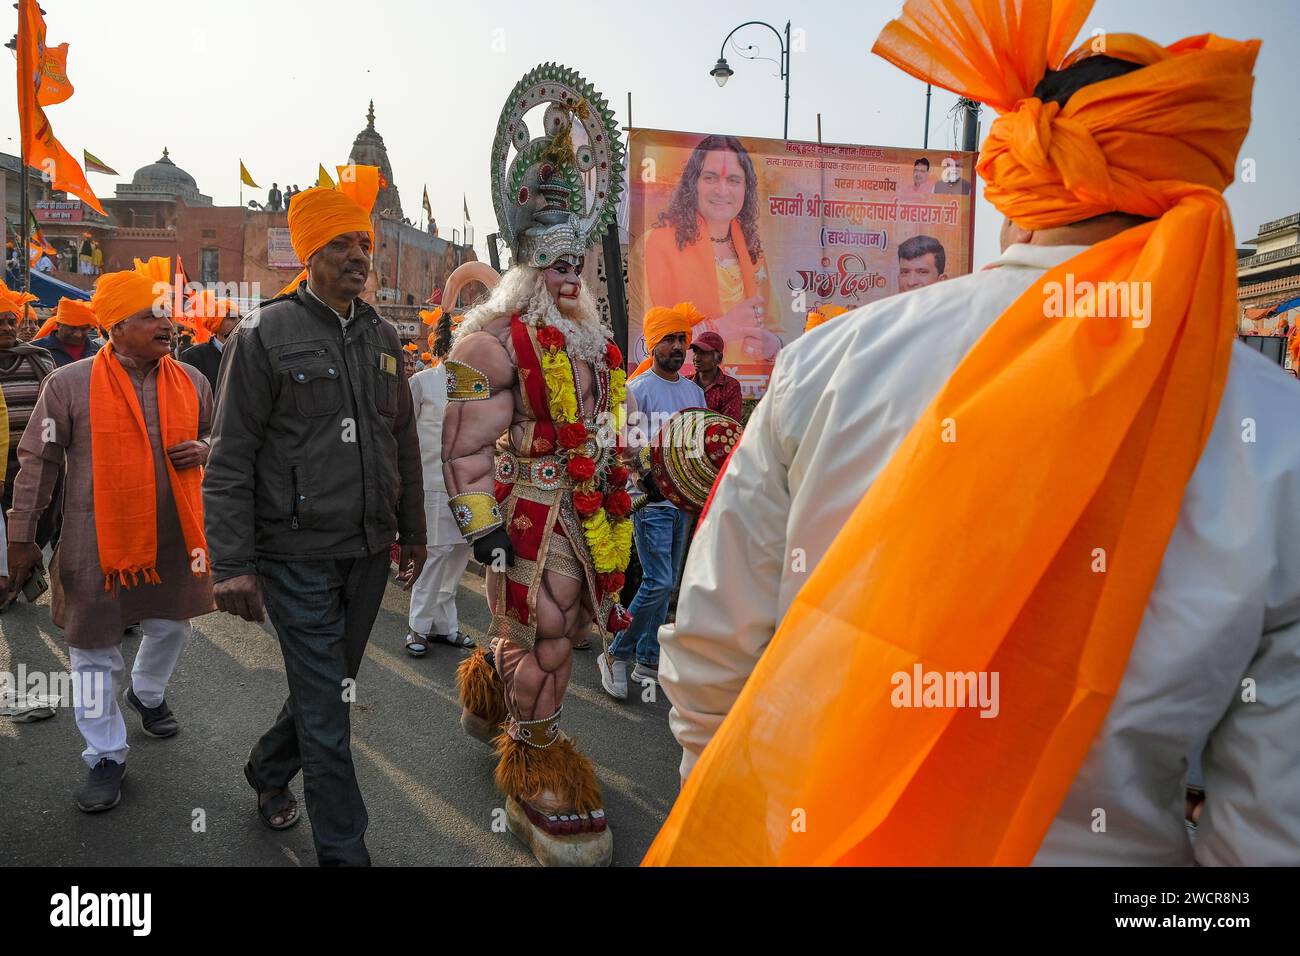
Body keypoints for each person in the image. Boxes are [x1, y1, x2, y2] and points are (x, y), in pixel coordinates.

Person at [645, 0, 1296, 867]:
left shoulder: (832, 365)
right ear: (1192, 192)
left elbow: (710, 665)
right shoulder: (1275, 435)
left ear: (1021, 182)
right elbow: (1266, 833)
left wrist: (737, 828)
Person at [203, 170, 426, 867]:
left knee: (321, 693)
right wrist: (233, 564)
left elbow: (402, 444)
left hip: (365, 554)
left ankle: (269, 769)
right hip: (293, 555)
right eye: (342, 245)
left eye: (364, 244)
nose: (360, 257)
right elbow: (230, 457)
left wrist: (414, 531)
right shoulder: (265, 333)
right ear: (308, 253)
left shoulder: (385, 338)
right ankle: (344, 849)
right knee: (331, 713)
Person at [445, 63, 633, 866]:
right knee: (550, 636)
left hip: (590, 515)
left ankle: (493, 677)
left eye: (578, 266)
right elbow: (464, 450)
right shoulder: (485, 344)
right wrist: (483, 531)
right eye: (555, 265)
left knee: (570, 629)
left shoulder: (597, 344)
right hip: (530, 514)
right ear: (524, 266)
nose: (570, 279)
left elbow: (607, 427)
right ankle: (537, 759)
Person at [6, 265, 214, 813]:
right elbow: (37, 463)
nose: (166, 323)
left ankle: (146, 693)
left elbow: (223, 439)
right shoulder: (68, 385)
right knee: (93, 649)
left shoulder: (192, 382)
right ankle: (105, 754)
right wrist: (22, 536)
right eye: (150, 315)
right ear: (113, 326)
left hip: (175, 533)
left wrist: (207, 450)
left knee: (172, 625)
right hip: (93, 536)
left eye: (167, 313)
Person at [598, 304, 705, 699]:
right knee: (658, 581)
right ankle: (616, 652)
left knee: (667, 583)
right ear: (652, 344)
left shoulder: (694, 391)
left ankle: (648, 656)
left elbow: (701, 448)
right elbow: (621, 445)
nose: (678, 347)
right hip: (649, 501)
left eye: (683, 340)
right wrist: (649, 477)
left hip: (683, 504)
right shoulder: (636, 390)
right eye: (670, 339)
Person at [633, 134, 780, 375]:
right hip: (679, 393)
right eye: (711, 177)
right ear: (694, 183)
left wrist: (772, 345)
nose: (722, 190)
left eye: (734, 180)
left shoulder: (753, 254)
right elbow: (641, 343)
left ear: (747, 188)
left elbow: (778, 330)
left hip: (748, 393)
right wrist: (718, 329)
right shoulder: (655, 245)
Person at [403, 309, 473, 656]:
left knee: (458, 555)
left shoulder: (477, 386)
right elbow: (402, 434)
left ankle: (445, 626)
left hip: (469, 486)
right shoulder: (422, 382)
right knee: (433, 556)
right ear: (446, 344)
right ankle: (417, 627)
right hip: (430, 484)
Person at [0, 290, 60, 551]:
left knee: (31, 539)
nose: (6, 328)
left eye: (10, 321)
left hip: (34, 470)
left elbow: (58, 410)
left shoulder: (39, 358)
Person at [179, 293, 241, 393]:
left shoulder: (248, 354)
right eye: (231, 318)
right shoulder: (193, 356)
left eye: (240, 317)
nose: (239, 322)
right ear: (217, 322)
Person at [31, 297, 103, 367]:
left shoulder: (100, 352)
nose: (78, 334)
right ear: (58, 325)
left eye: (83, 329)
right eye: (72, 328)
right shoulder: (35, 350)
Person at [686, 329, 742, 420]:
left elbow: (730, 423)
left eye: (703, 353)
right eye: (695, 352)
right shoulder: (685, 384)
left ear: (719, 358)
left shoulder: (730, 386)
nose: (696, 358)